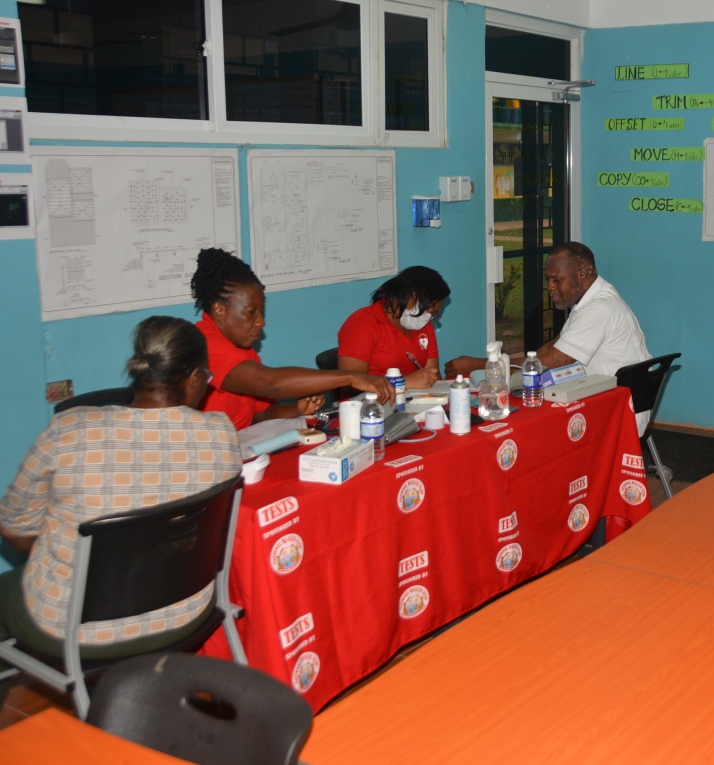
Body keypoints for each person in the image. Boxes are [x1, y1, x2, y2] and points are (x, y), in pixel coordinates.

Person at [0, 316, 241, 658]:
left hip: (75, 629)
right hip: (184, 614)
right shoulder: (221, 433)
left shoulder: (69, 430)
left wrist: (70, 555)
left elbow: (13, 528)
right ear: (193, 378)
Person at [191, 247, 393, 429]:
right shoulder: (202, 345)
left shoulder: (243, 349)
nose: (261, 322)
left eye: (262, 312)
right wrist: (351, 377)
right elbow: (269, 383)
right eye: (251, 312)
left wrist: (297, 410)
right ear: (219, 309)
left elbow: (261, 414)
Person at [446, 242, 650, 380]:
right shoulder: (591, 299)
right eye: (548, 279)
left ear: (583, 274)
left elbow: (550, 362)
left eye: (557, 280)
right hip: (610, 397)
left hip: (618, 410)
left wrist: (477, 365)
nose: (550, 286)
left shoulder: (600, 309)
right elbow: (550, 350)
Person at [337, 266, 450, 389]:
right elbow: (349, 383)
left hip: (411, 402)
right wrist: (404, 382)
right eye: (427, 307)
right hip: (370, 403)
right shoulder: (363, 323)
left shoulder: (424, 325)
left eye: (433, 312)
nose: (428, 315)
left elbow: (432, 377)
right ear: (406, 294)